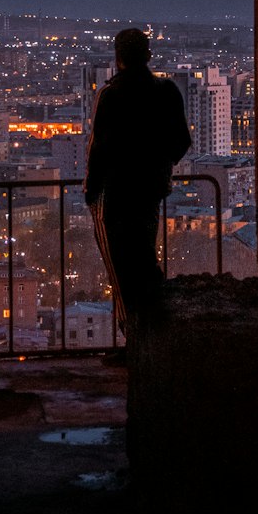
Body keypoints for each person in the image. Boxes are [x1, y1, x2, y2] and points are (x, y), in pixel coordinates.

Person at [84, 27, 191, 337]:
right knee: (144, 261)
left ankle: (134, 341)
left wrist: (92, 191)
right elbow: (181, 140)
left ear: (118, 57)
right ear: (147, 54)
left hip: (115, 194)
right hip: (150, 190)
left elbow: (98, 149)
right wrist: (159, 165)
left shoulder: (112, 94)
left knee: (120, 269)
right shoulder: (166, 91)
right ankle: (153, 336)